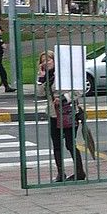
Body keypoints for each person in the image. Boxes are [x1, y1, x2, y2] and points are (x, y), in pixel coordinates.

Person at [36, 50, 87, 182]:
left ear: (55, 61)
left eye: (48, 60)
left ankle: (80, 172)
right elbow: (40, 94)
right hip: (54, 114)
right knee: (57, 144)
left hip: (69, 112)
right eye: (43, 61)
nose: (45, 63)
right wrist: (41, 78)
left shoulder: (65, 74)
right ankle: (60, 173)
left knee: (70, 144)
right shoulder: (46, 76)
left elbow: (79, 90)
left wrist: (64, 98)